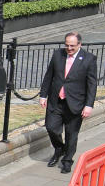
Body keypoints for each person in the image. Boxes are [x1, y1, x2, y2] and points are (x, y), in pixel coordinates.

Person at [39, 32, 98, 174]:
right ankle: (59, 148)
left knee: (72, 134)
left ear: (79, 44)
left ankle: (67, 160)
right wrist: (43, 95)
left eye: (72, 45)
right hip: (56, 101)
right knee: (51, 127)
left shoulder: (89, 59)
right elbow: (49, 76)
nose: (69, 48)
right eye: (67, 45)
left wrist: (89, 105)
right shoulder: (58, 54)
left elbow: (92, 84)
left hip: (75, 103)